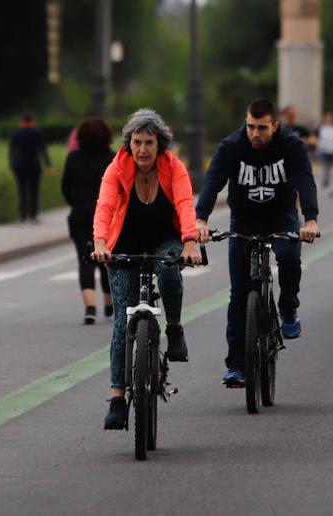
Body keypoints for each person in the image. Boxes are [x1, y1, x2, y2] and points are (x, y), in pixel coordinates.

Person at [195, 98, 320, 387]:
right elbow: (214, 180)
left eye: (262, 128)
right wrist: (201, 218)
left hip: (281, 216)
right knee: (239, 294)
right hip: (244, 220)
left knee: (289, 257)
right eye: (250, 126)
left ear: (275, 125)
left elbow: (304, 179)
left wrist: (310, 220)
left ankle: (288, 307)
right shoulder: (231, 146)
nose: (255, 134)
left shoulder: (291, 145)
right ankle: (236, 365)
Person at [92, 108, 202, 430]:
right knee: (121, 321)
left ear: (160, 145)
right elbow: (105, 205)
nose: (142, 149)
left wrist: (190, 241)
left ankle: (174, 328)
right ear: (129, 143)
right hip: (123, 244)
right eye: (137, 142)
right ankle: (116, 398)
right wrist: (100, 242)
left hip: (163, 240)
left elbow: (184, 203)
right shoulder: (117, 168)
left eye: (149, 143)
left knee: (169, 270)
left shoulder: (173, 167)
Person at [60, 116, 114, 324]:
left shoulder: (73, 158)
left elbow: (65, 187)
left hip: (80, 214)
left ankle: (90, 308)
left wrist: (76, 203)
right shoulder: (112, 158)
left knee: (85, 260)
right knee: (106, 261)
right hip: (107, 216)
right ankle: (110, 305)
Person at [8, 112, 51, 223]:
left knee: (22, 191)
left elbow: (12, 151)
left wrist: (11, 166)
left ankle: (23, 216)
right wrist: (48, 165)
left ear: (22, 121)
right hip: (34, 164)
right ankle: (33, 216)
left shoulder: (16, 132)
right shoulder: (37, 132)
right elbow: (43, 150)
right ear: (32, 121)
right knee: (34, 191)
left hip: (20, 165)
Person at [316, 111, 333, 188]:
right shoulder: (321, 128)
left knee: (330, 168)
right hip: (323, 151)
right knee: (325, 167)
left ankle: (328, 182)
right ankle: (324, 183)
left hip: (332, 151)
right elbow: (318, 138)